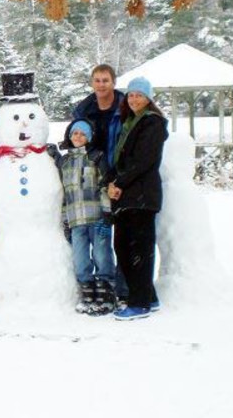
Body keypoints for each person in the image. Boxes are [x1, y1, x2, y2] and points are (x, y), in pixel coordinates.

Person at [106, 77, 168, 321]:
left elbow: (143, 160)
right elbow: (121, 161)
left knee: (136, 249)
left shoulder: (152, 123)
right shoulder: (131, 122)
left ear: (148, 98)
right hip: (129, 195)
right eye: (131, 95)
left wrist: (119, 183)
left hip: (141, 195)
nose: (134, 99)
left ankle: (139, 303)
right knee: (125, 247)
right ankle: (148, 297)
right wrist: (111, 182)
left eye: (139, 95)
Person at [71, 64, 128, 302]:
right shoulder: (84, 109)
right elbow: (77, 135)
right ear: (92, 83)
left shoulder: (126, 105)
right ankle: (93, 286)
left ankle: (121, 289)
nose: (101, 84)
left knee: (123, 236)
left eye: (105, 80)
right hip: (94, 172)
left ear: (113, 82)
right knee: (97, 237)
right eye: (97, 80)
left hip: (122, 171)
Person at [57, 119, 116, 316]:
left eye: (83, 134)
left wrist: (107, 214)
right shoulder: (64, 162)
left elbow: (105, 185)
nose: (78, 137)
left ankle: (105, 294)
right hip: (76, 220)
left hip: (96, 216)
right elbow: (63, 193)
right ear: (69, 135)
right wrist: (65, 219)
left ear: (89, 137)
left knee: (101, 255)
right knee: (80, 259)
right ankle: (87, 294)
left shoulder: (96, 157)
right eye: (75, 133)